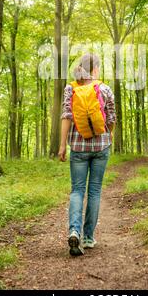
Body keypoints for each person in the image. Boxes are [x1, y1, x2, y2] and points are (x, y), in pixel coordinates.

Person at [58, 53, 116, 256]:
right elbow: (111, 119)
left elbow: (66, 116)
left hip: (78, 148)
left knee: (77, 190)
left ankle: (74, 230)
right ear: (95, 70)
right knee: (94, 191)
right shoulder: (105, 88)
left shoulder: (70, 88)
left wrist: (62, 145)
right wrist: (108, 138)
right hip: (101, 148)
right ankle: (88, 237)